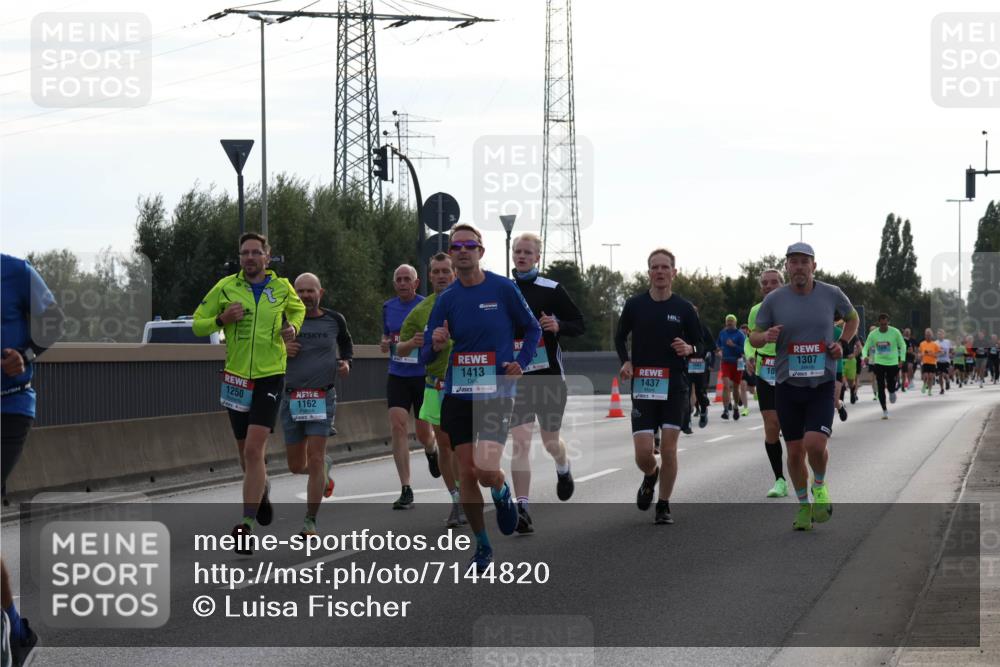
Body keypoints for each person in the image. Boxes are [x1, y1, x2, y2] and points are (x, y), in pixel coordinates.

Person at [421, 223, 542, 572]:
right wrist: (436, 344)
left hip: (496, 390)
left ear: (481, 252)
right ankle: (483, 546)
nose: (461, 251)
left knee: (487, 470)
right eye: (455, 246)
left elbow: (532, 328)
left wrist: (520, 363)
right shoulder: (446, 299)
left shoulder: (503, 288)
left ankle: (502, 490)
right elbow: (425, 355)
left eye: (468, 246)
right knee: (467, 473)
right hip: (458, 390)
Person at [193, 232, 305, 554]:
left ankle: (246, 526)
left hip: (271, 376)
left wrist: (292, 328)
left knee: (255, 451)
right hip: (237, 378)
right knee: (246, 456)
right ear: (240, 258)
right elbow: (198, 324)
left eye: (256, 252)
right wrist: (221, 318)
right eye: (245, 253)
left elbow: (297, 312)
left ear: (267, 257)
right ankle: (262, 489)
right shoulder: (226, 287)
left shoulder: (281, 288)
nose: (251, 258)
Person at [750, 242, 858, 531]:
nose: (799, 266)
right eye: (793, 262)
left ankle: (819, 486)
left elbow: (852, 318)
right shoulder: (775, 300)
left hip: (822, 383)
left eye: (804, 261)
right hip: (787, 385)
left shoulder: (831, 293)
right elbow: (755, 337)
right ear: (787, 266)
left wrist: (843, 344)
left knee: (815, 443)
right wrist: (767, 336)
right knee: (795, 452)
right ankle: (802, 505)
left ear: (814, 265)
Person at [1, 253, 63, 666]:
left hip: (9, 407)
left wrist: (26, 353)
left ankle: (13, 629)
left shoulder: (16, 271)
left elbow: (53, 322)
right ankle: (16, 629)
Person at [616, 248, 702, 525]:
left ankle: (663, 504)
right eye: (655, 267)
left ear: (674, 272)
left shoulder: (684, 308)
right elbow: (619, 338)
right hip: (643, 384)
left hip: (674, 386)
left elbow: (704, 344)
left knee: (668, 449)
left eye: (665, 267)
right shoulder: (634, 305)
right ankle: (651, 475)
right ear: (649, 272)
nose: (660, 272)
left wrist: (690, 348)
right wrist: (626, 361)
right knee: (643, 453)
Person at [508, 232, 586, 533]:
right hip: (518, 379)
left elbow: (580, 324)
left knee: (550, 440)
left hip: (550, 377)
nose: (522, 256)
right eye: (518, 251)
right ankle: (523, 508)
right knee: (520, 442)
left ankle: (563, 466)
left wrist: (558, 325)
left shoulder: (551, 289)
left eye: (528, 252)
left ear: (537, 257)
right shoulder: (504, 289)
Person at [280, 273, 353, 537]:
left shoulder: (334, 319)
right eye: (299, 291)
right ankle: (323, 471)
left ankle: (310, 521)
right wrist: (281, 347)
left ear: (320, 293)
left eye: (310, 291)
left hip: (322, 396)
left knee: (316, 456)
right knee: (296, 466)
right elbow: (265, 350)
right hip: (291, 397)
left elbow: (346, 343)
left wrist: (346, 362)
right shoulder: (283, 321)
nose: (305, 296)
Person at [397, 253, 465, 528]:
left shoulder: (468, 301)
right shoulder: (420, 311)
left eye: (445, 271)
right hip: (436, 386)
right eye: (435, 271)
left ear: (455, 273)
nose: (440, 276)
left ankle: (487, 487)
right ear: (429, 276)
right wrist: (412, 343)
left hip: (469, 384)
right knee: (446, 447)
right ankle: (457, 500)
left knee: (469, 449)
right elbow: (399, 349)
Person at [382, 264, 440, 510]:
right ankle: (406, 487)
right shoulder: (387, 307)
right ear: (395, 283)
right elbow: (388, 337)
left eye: (408, 279)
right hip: (397, 374)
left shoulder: (427, 305)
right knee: (397, 425)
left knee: (424, 433)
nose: (403, 283)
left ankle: (431, 449)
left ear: (416, 283)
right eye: (399, 279)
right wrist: (385, 343)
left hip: (422, 375)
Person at [744, 268, 787, 498]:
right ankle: (779, 479)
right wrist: (750, 354)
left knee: (793, 429)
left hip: (791, 371)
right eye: (765, 283)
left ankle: (806, 474)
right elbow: (751, 338)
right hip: (765, 372)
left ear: (782, 284)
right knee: (772, 424)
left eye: (773, 282)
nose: (769, 286)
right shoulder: (756, 312)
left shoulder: (793, 306)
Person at [861, 313, 906, 419]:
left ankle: (892, 391)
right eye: (882, 325)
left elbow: (902, 345)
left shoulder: (895, 332)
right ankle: (885, 410)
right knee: (880, 386)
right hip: (879, 362)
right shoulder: (873, 334)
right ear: (879, 323)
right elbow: (865, 347)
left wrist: (902, 358)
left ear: (888, 323)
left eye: (885, 324)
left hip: (892, 362)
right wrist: (865, 356)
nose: (884, 327)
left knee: (891, 383)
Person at [683, 306, 716, 431]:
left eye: (694, 313)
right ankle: (687, 421)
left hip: (700, 364)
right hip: (686, 363)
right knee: (685, 392)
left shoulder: (703, 328)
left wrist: (700, 351)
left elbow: (711, 345)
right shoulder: (682, 327)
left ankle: (703, 409)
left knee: (700, 391)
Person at [716, 315, 746, 421]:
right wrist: (719, 351)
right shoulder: (722, 333)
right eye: (727, 321)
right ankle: (725, 410)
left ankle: (736, 407)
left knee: (735, 388)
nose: (729, 323)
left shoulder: (740, 335)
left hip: (737, 363)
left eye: (731, 321)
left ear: (735, 323)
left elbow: (744, 350)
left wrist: (733, 345)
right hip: (726, 362)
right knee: (726, 386)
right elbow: (718, 345)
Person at [918, 328, 940, 395]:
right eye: (927, 335)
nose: (928, 336)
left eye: (929, 335)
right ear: (925, 336)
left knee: (930, 377)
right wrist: (920, 355)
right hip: (925, 362)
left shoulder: (935, 344)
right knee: (925, 376)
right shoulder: (922, 344)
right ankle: (924, 385)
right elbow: (919, 353)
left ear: (932, 336)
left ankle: (930, 391)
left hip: (932, 363)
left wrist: (933, 354)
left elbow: (938, 353)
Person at [935, 329, 953, 395]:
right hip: (938, 361)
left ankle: (947, 381)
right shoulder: (935, 342)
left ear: (944, 335)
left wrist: (951, 354)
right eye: (938, 334)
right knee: (940, 375)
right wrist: (938, 353)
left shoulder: (947, 342)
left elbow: (951, 350)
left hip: (946, 360)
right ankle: (942, 389)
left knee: (944, 374)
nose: (940, 335)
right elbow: (934, 351)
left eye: (941, 334)